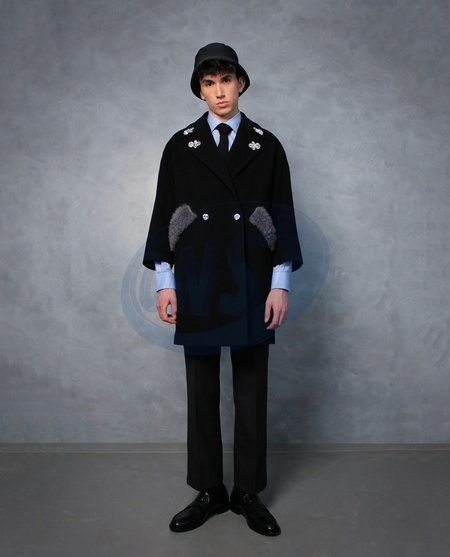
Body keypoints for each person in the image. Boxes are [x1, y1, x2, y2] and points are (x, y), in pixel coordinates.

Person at [143, 43, 302, 536]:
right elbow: (166, 214)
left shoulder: (266, 146)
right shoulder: (180, 146)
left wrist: (279, 283)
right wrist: (165, 282)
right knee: (202, 389)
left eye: (226, 81)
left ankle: (248, 492)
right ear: (199, 90)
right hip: (198, 277)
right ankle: (209, 490)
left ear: (241, 83)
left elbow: (281, 215)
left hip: (252, 277)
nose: (219, 92)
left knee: (251, 388)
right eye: (209, 83)